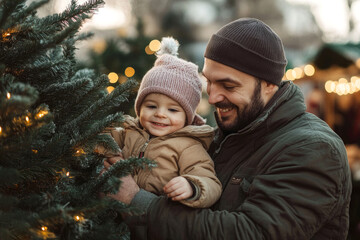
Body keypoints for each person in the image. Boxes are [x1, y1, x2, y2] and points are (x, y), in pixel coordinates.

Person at [104, 18, 352, 239]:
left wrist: (137, 202)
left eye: (228, 85)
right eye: (209, 81)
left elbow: (250, 232)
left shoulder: (313, 148)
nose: (212, 97)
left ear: (268, 84)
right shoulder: (230, 131)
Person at [101, 37, 221, 209]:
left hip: (151, 221)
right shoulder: (129, 131)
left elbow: (210, 182)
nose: (160, 114)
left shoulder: (188, 146)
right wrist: (112, 155)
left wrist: (192, 186)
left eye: (172, 110)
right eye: (151, 106)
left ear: (187, 116)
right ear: (139, 107)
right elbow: (99, 137)